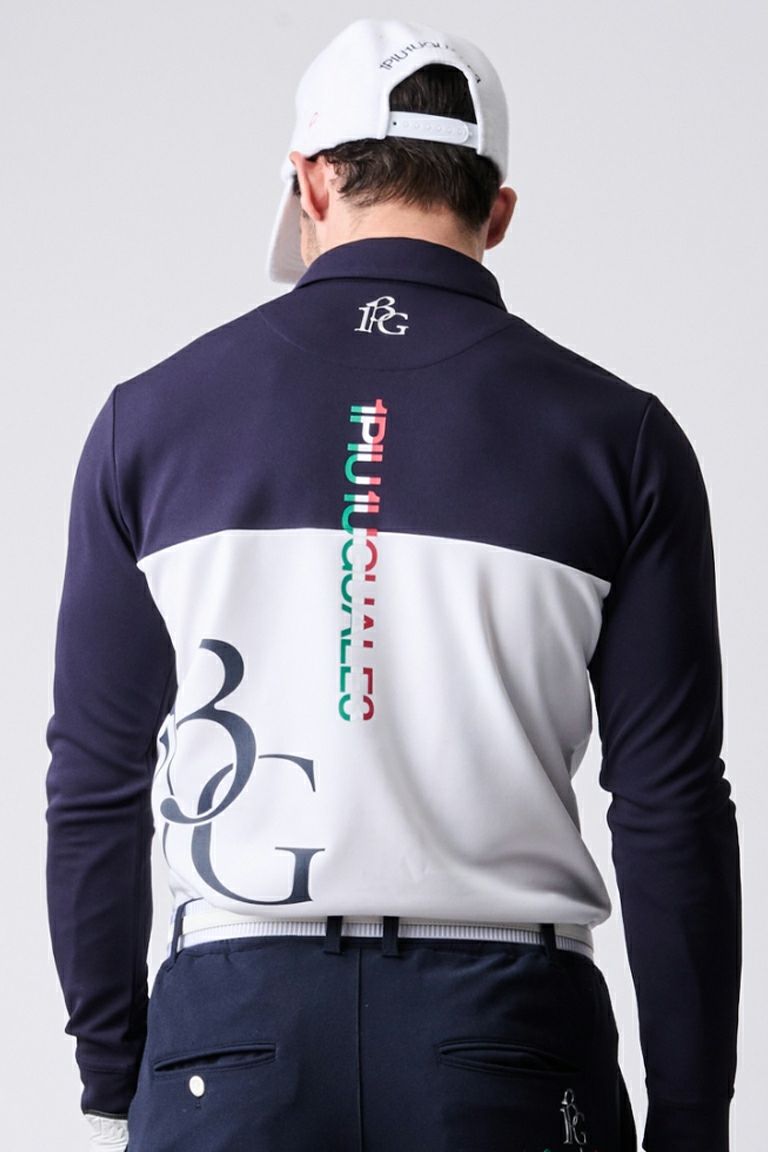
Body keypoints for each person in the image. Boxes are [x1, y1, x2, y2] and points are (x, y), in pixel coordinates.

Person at [45, 16, 742, 1152]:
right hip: (509, 1042)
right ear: (496, 212)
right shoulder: (620, 439)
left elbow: (94, 776)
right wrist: (694, 1114)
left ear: (311, 182)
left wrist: (119, 1063)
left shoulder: (151, 422)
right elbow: (671, 804)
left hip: (234, 1037)